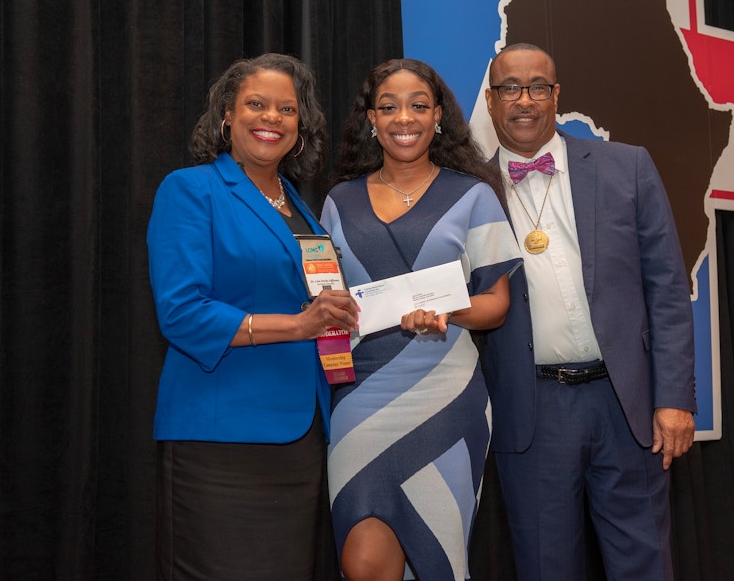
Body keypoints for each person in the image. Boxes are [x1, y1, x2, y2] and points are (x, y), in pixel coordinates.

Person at [479, 43, 697, 580]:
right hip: (531, 409)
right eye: (510, 88)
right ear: (490, 101)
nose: (523, 100)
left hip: (626, 405)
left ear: (557, 96)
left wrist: (673, 397)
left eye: (537, 87)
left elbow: (667, 288)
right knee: (545, 567)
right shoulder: (467, 192)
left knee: (643, 561)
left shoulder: (630, 167)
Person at [146, 53, 359, 580]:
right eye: (256, 104)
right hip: (221, 440)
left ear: (300, 127)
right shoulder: (191, 189)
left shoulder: (299, 207)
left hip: (301, 437)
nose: (271, 118)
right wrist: (298, 326)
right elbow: (182, 314)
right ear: (226, 115)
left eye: (287, 109)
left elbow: (313, 304)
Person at [321, 58, 522, 581]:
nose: (402, 118)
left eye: (417, 106)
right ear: (371, 119)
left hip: (447, 397)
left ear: (438, 117)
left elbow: (496, 305)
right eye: (388, 107)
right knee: (362, 563)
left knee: (437, 558)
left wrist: (445, 312)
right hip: (360, 399)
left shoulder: (475, 196)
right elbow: (328, 301)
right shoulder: (338, 202)